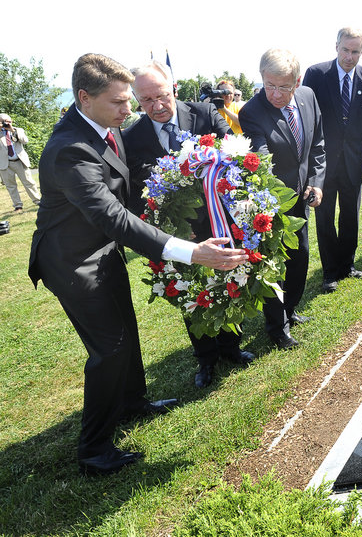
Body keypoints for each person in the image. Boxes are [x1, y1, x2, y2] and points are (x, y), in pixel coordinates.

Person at [27, 53, 248, 476]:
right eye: (120, 103)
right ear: (84, 98)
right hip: (73, 263)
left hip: (102, 253)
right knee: (109, 349)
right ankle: (94, 449)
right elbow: (112, 216)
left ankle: (131, 404)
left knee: (126, 334)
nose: (131, 111)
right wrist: (191, 251)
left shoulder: (102, 128)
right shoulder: (69, 150)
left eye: (132, 100)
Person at [123, 60, 255, 388]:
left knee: (228, 282)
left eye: (162, 96)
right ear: (137, 100)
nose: (156, 106)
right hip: (177, 234)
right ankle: (205, 358)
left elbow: (231, 157)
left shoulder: (205, 114)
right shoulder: (132, 137)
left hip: (219, 221)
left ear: (174, 89)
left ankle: (231, 348)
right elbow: (135, 190)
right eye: (146, 101)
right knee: (190, 293)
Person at [239, 48, 325, 349]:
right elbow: (261, 159)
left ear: (297, 82)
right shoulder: (251, 112)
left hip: (302, 197)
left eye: (283, 87)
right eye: (269, 85)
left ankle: (290, 309)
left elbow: (317, 145)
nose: (275, 93)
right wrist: (275, 199)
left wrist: (316, 183)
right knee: (275, 263)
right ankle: (277, 327)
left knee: (300, 256)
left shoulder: (309, 98)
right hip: (271, 202)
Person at [302, 27, 362, 293]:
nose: (349, 56)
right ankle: (330, 272)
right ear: (336, 46)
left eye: (355, 51)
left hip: (353, 161)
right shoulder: (316, 74)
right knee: (324, 217)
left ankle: (347, 265)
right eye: (346, 50)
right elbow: (307, 119)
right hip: (322, 163)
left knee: (351, 215)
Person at [0, 113, 41, 213]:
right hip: (5, 163)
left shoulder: (18, 130)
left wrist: (12, 131)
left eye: (8, 121)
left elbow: (25, 141)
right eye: (4, 121)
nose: (7, 123)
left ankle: (38, 201)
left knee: (29, 182)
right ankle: (18, 205)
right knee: (10, 186)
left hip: (20, 161)